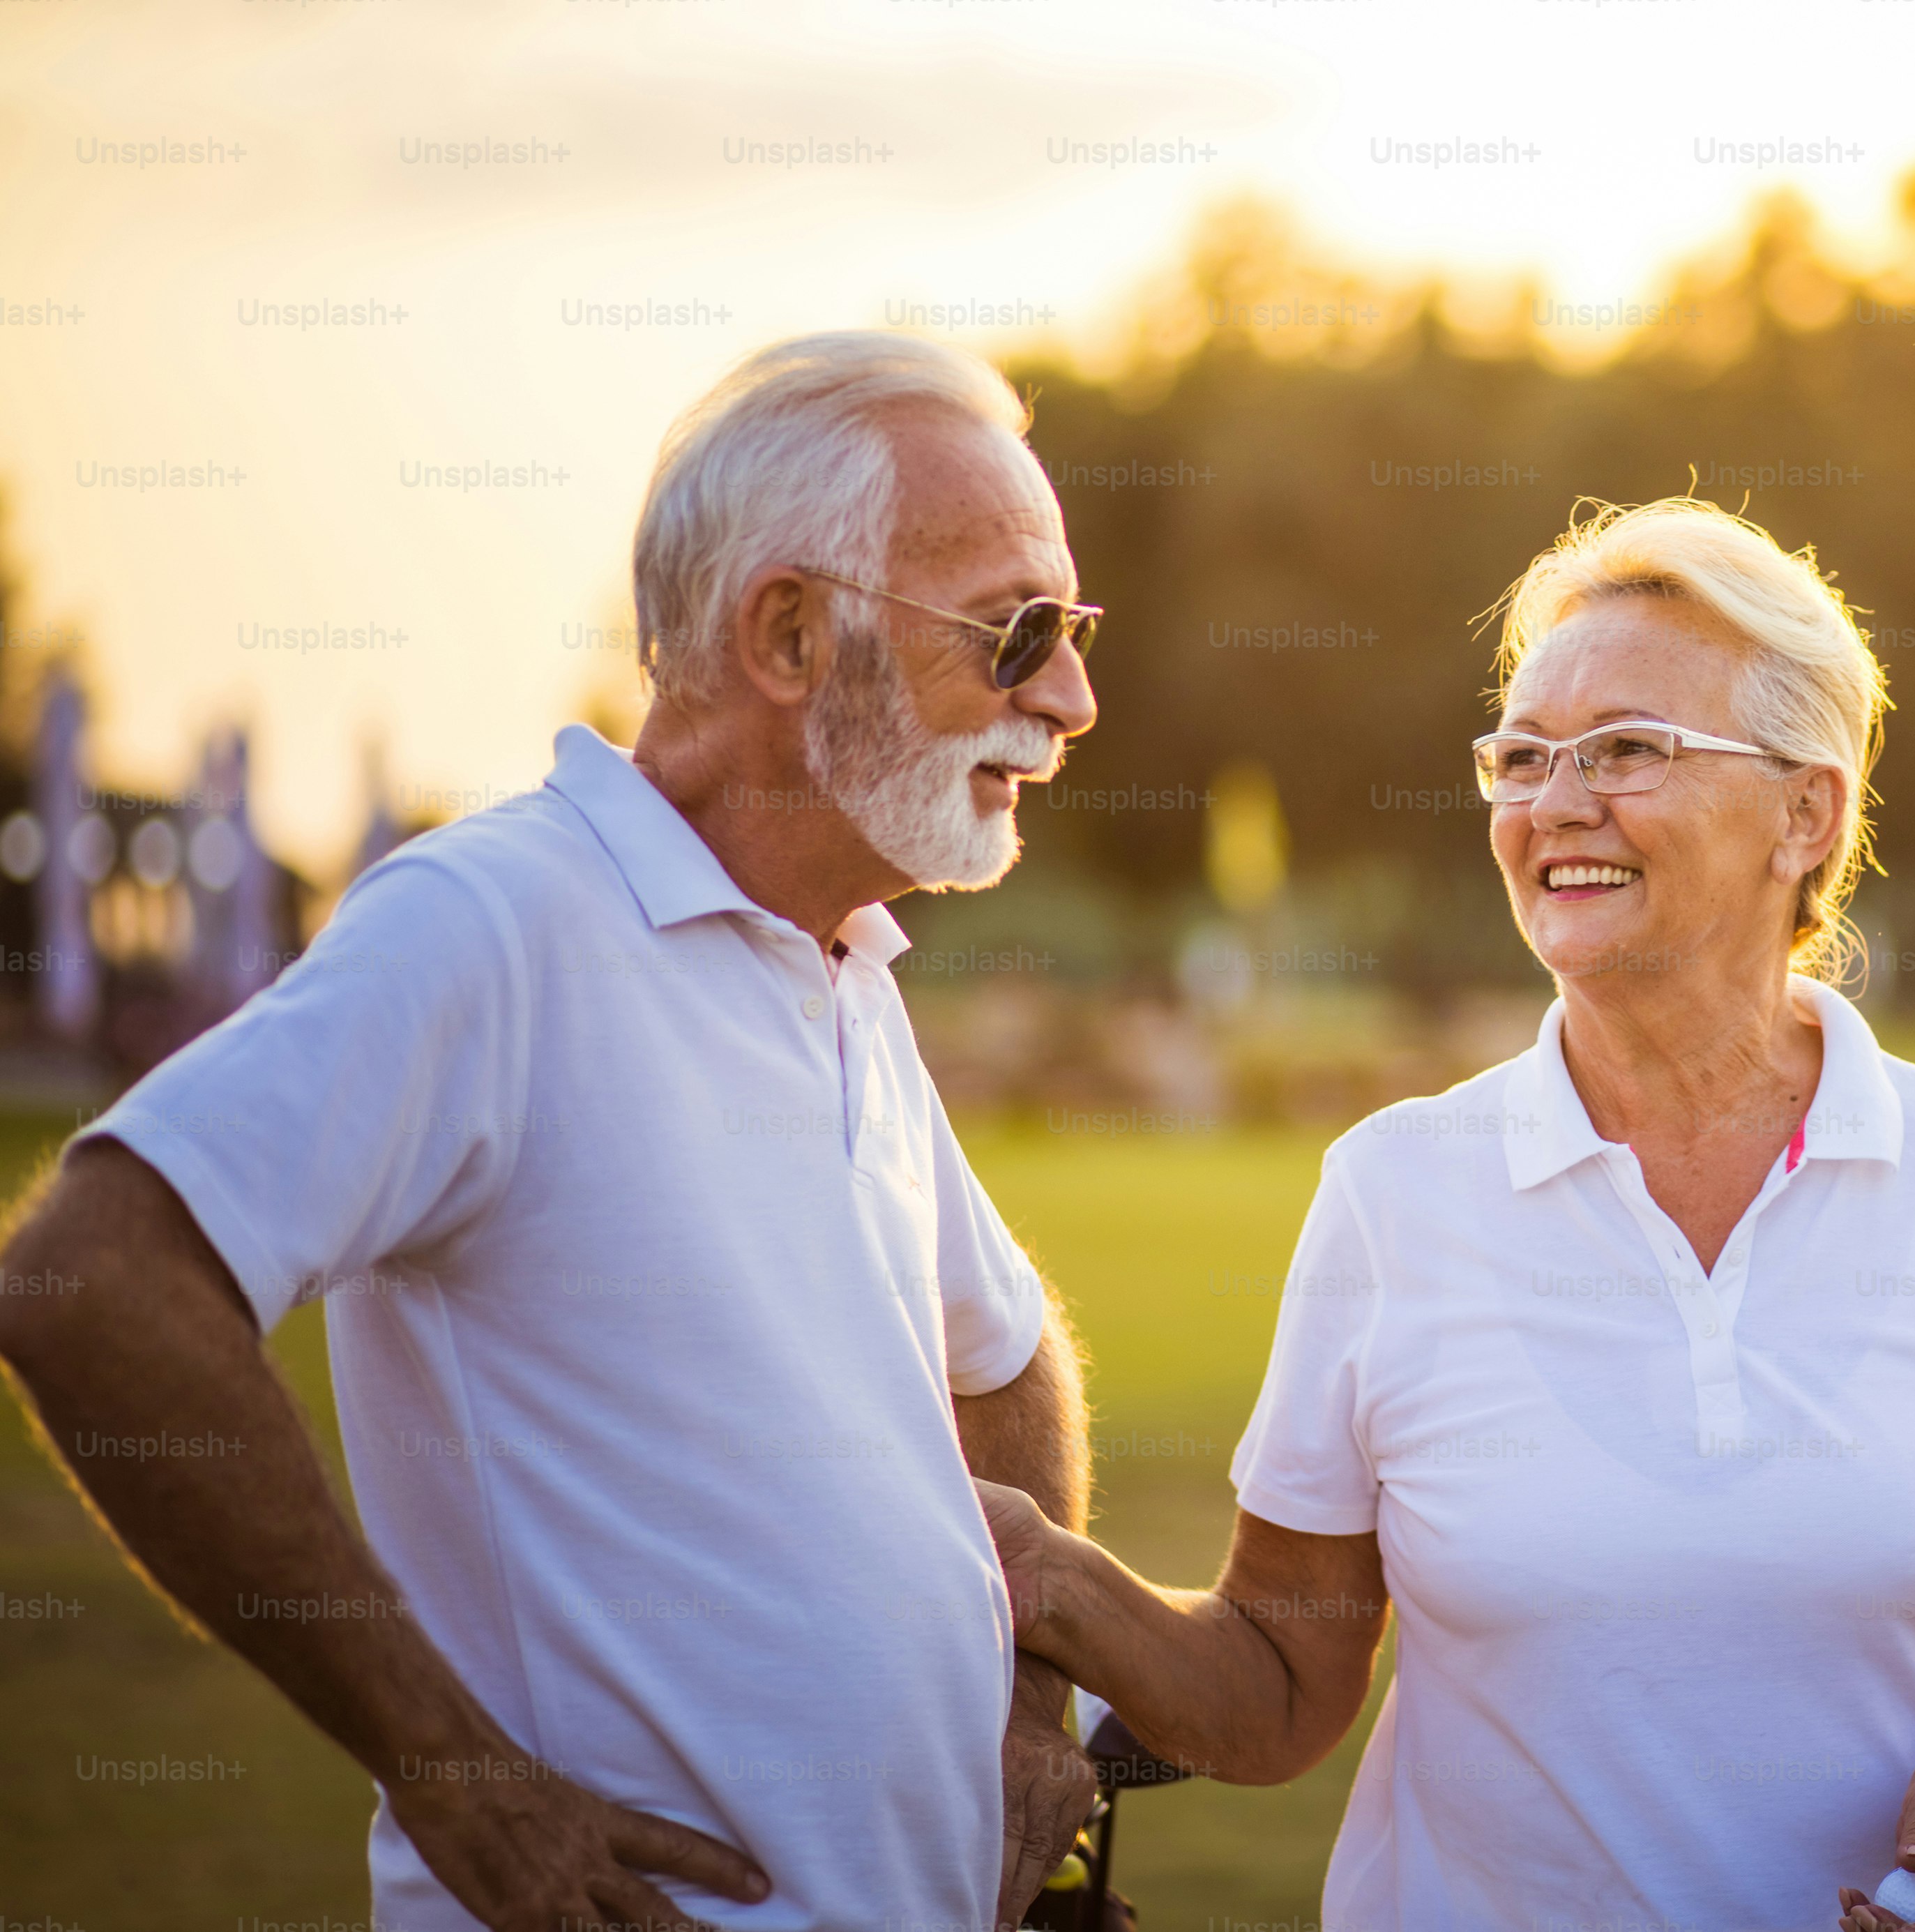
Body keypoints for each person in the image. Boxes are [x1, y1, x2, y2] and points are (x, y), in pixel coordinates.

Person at [0, 332, 1107, 1931]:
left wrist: (1020, 1707)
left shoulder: (838, 961)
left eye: (1067, 630)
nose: (1071, 698)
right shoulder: (495, 922)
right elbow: (89, 1282)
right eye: (1014, 633)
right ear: (788, 634)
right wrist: (449, 1770)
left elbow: (1000, 1357)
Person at [976, 498, 1915, 1932]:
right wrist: (1037, 1570)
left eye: (1626, 749)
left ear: (1807, 812)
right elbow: (1279, 1686)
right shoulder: (1393, 1189)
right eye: (1523, 756)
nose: (1554, 803)